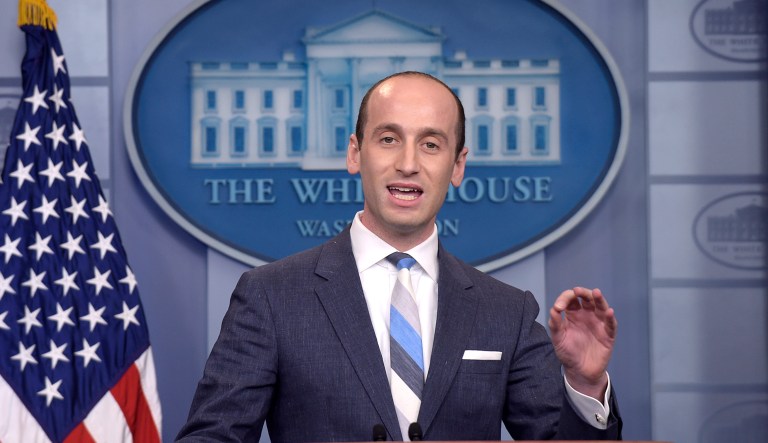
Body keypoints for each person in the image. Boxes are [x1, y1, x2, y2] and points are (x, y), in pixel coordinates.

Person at [177, 71, 621, 442]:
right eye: (389, 139)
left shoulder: (508, 312)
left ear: (458, 165)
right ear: (356, 154)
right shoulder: (271, 296)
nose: (408, 163)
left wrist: (584, 386)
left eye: (430, 144)